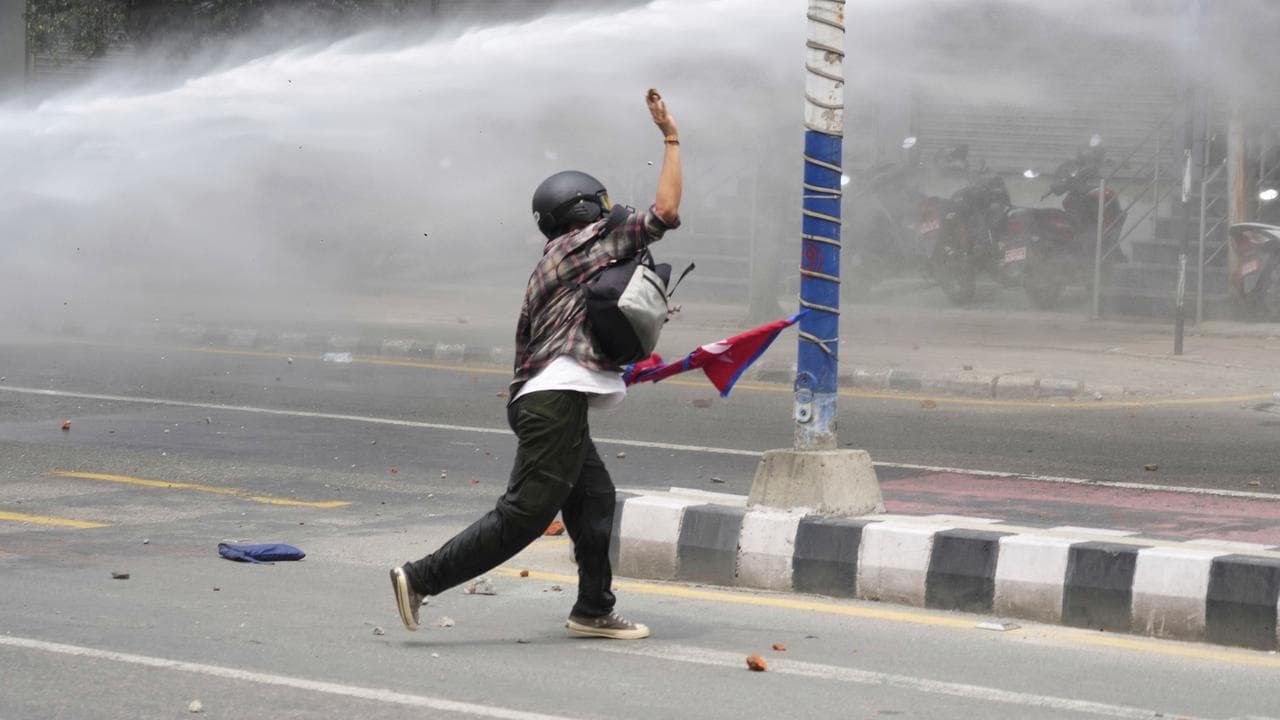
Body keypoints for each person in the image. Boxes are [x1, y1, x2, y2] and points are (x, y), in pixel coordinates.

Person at [390, 88, 682, 639]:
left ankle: (593, 609)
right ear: (585, 208)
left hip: (549, 399)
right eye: (601, 201)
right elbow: (665, 212)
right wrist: (671, 137)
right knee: (526, 513)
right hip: (553, 400)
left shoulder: (563, 257)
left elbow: (604, 310)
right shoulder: (584, 244)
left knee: (595, 498)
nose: (608, 207)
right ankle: (420, 577)